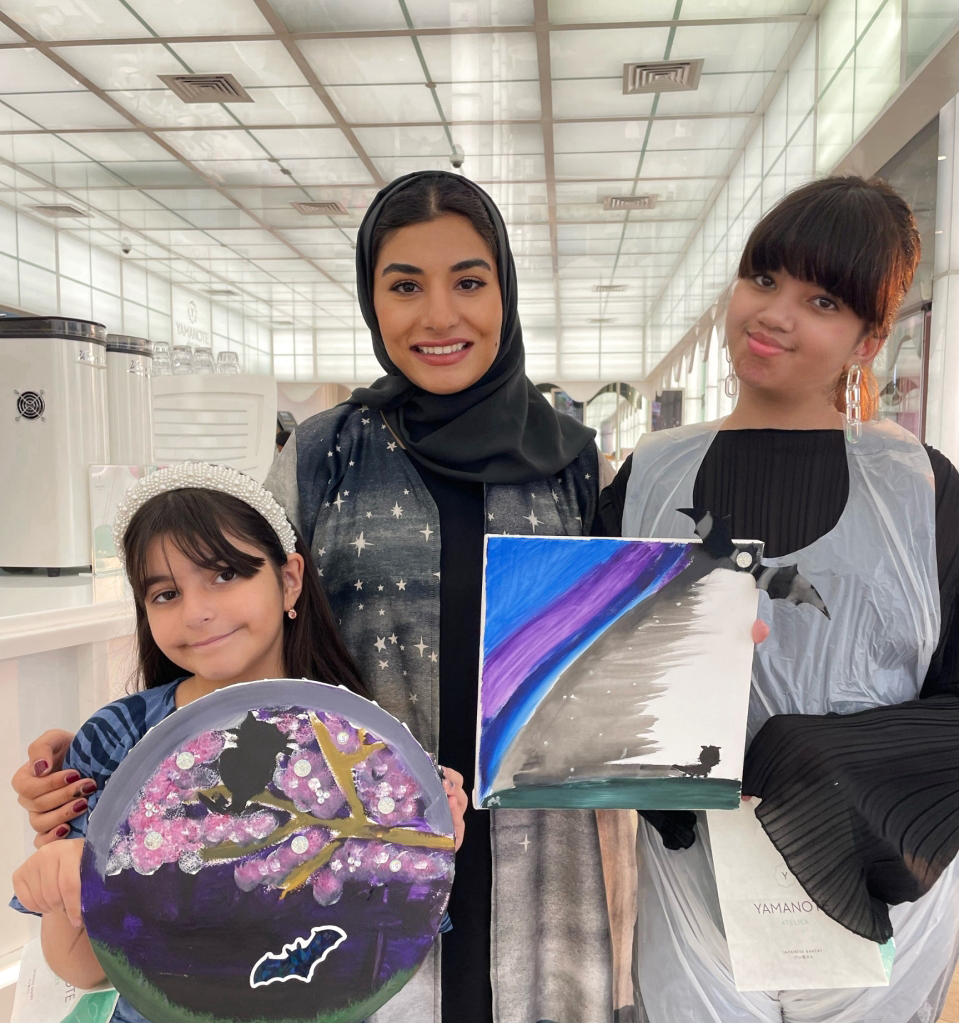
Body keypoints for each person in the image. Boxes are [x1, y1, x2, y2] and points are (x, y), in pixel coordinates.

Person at [12, 173, 624, 1023]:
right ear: (372, 300)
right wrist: (116, 758)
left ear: (504, 291)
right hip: (342, 827)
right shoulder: (323, 453)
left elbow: (609, 643)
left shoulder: (569, 461)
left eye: (468, 281)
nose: (438, 314)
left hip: (532, 841)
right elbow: (240, 619)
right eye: (404, 285)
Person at [598, 176, 959, 1023]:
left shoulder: (920, 490)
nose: (774, 314)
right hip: (695, 884)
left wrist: (813, 756)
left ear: (869, 337)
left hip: (878, 891)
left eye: (822, 300)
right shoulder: (647, 478)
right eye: (762, 278)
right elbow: (591, 672)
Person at [11, 463, 467, 1012]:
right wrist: (66, 880)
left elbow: (387, 949)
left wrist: (424, 845)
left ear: (289, 579)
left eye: (225, 575)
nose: (197, 612)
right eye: (165, 594)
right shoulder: (117, 739)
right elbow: (84, 970)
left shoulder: (365, 746)